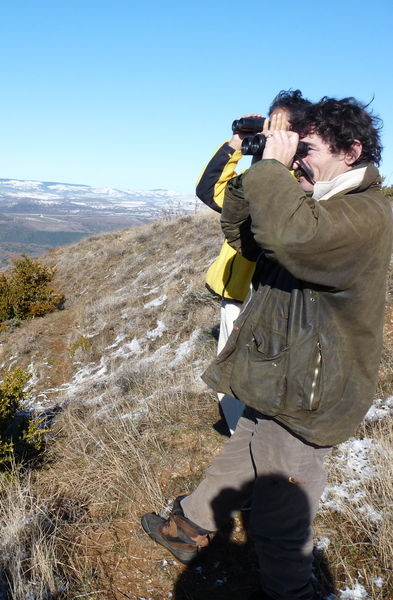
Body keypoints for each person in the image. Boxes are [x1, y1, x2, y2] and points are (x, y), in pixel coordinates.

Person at [142, 97, 391, 600]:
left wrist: (276, 169)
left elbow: (293, 240)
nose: (298, 158)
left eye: (309, 148)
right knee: (241, 451)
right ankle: (189, 525)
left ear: (351, 151)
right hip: (279, 366)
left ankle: (290, 593)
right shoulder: (311, 196)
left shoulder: (367, 212)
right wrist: (259, 168)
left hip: (309, 387)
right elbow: (245, 236)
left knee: (281, 507)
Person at [196, 90, 311, 435]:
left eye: (281, 128)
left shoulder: (297, 184)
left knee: (252, 379)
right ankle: (242, 446)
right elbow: (209, 190)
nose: (270, 135)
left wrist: (274, 163)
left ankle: (254, 449)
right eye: (269, 126)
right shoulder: (256, 178)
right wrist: (238, 142)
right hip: (236, 295)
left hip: (264, 299)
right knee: (232, 380)